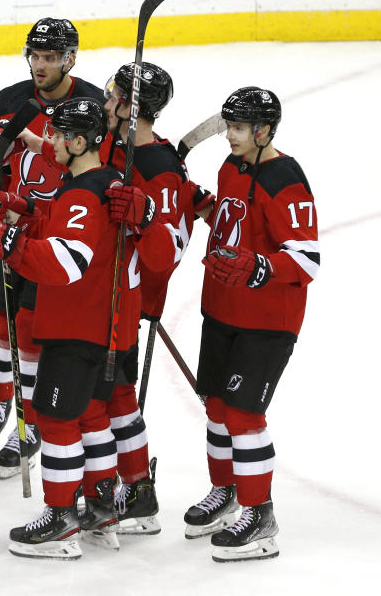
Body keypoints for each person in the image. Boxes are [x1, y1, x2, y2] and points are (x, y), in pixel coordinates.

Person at [0, 98, 140, 559]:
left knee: (53, 420)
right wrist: (20, 210)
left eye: (55, 136)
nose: (48, 143)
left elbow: (67, 261)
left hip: (75, 327)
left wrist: (7, 243)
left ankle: (61, 517)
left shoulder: (83, 194)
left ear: (75, 141)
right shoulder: (102, 182)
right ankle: (101, 506)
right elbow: (61, 227)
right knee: (90, 416)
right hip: (98, 325)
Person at [0, 17, 105, 479]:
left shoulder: (91, 105)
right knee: (0, 319)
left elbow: (93, 169)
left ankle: (27, 419)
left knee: (30, 327)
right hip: (11, 221)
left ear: (70, 59)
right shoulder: (9, 99)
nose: (40, 65)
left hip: (59, 233)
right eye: (35, 56)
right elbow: (0, 162)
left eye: (50, 57)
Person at [186, 87, 318, 562]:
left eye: (239, 129)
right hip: (221, 309)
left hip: (267, 320)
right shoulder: (231, 167)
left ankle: (260, 516)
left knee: (243, 415)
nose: (231, 137)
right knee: (217, 408)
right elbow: (228, 225)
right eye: (230, 128)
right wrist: (191, 199)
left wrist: (260, 267)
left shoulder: (285, 179)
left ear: (264, 131)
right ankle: (226, 492)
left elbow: (306, 260)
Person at [98, 61, 203, 536]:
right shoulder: (116, 147)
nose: (105, 101)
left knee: (114, 395)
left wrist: (143, 218)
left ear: (130, 105)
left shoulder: (158, 169)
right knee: (106, 395)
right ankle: (124, 486)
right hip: (97, 293)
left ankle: (135, 488)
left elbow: (167, 253)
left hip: (124, 299)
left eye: (113, 94)